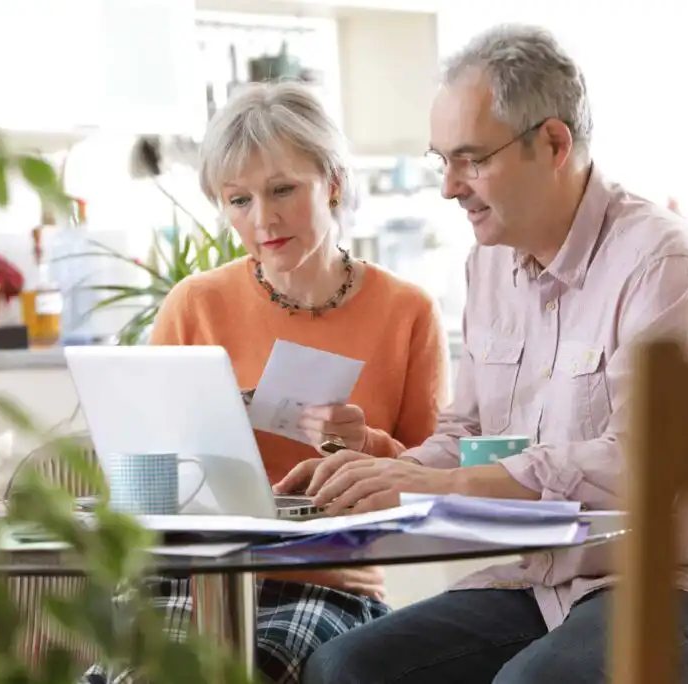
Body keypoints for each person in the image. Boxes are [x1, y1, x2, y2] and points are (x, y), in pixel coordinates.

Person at [274, 24, 688, 684]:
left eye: (470, 158)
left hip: (685, 585)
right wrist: (385, 476)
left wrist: (441, 484)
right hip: (545, 580)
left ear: (553, 143)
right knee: (346, 666)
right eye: (441, 159)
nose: (448, 186)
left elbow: (643, 461)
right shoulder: (488, 267)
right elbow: (467, 436)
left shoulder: (659, 261)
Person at [81, 82, 449, 684]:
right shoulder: (195, 305)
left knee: (236, 671)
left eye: (283, 190)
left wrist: (367, 447)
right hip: (190, 579)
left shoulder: (406, 312)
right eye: (238, 200)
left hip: (327, 585)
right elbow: (139, 472)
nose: (263, 220)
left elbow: (438, 490)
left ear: (332, 183)